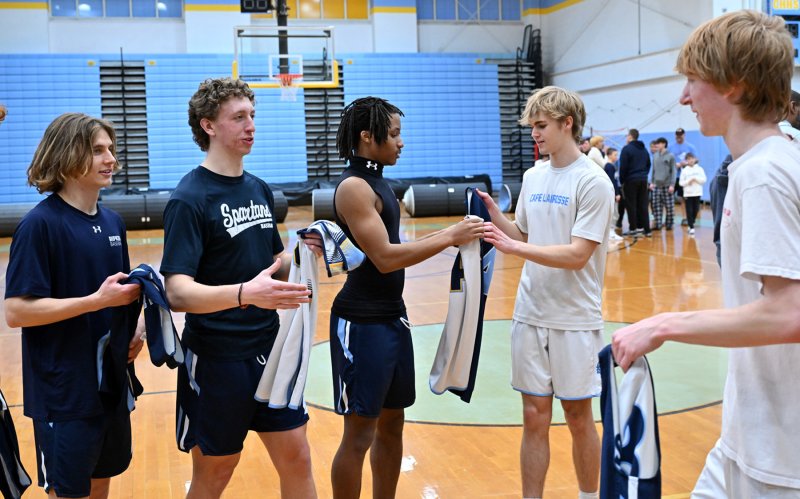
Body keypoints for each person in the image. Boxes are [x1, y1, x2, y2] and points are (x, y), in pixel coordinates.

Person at [612, 10, 800, 498]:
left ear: (734, 85)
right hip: (748, 435)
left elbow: (789, 313)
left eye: (693, 80)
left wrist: (663, 324)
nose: (684, 97)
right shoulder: (764, 164)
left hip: (779, 456)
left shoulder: (763, 175)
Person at [160, 77, 316, 498]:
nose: (251, 126)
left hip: (271, 350)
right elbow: (177, 291)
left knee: (298, 458)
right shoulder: (189, 198)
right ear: (208, 125)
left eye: (252, 116)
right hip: (217, 359)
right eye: (239, 117)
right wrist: (244, 293)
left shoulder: (258, 188)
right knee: (216, 472)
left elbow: (275, 263)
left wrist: (307, 253)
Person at [328, 96, 483, 499]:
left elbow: (397, 246)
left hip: (392, 316)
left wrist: (456, 232)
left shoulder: (381, 182)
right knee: (359, 432)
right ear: (367, 136)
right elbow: (384, 258)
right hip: (360, 322)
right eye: (394, 134)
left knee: (393, 422)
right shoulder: (353, 187)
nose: (401, 142)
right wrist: (449, 237)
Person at [476, 86, 615, 499]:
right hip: (530, 313)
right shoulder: (533, 176)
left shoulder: (593, 181)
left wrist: (516, 248)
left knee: (578, 416)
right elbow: (523, 234)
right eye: (532, 127)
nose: (534, 134)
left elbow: (577, 254)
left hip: (574, 319)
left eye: (541, 125)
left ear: (567, 123)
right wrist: (495, 216)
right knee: (534, 416)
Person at [4, 113, 145, 499]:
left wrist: (137, 328)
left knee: (100, 487)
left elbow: (121, 295)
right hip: (63, 396)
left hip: (108, 387)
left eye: (111, 149)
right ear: (67, 156)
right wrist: (94, 301)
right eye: (98, 150)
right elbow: (16, 311)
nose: (111, 158)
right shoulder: (39, 225)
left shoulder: (114, 222)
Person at [619, 128, 652, 237]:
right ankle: (647, 230)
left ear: (630, 136)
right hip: (643, 180)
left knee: (631, 205)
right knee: (643, 205)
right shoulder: (644, 149)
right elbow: (648, 164)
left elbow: (623, 167)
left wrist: (622, 180)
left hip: (630, 180)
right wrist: (644, 174)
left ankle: (633, 229)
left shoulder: (626, 149)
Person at [669, 127, 697, 224]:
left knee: (683, 198)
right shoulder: (670, 147)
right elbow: (667, 161)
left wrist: (686, 163)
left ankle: (685, 217)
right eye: (677, 136)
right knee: (668, 197)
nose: (679, 137)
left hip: (685, 177)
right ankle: (669, 218)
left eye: (680, 135)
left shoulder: (690, 147)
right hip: (673, 176)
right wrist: (675, 165)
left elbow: (696, 160)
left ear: (684, 135)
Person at [649, 137, 676, 230]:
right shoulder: (655, 156)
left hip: (667, 185)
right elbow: (654, 170)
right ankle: (658, 224)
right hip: (656, 185)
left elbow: (673, 171)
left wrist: (672, 184)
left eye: (659, 143)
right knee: (656, 206)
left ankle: (669, 224)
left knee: (669, 207)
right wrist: (652, 182)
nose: (657, 145)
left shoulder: (670, 156)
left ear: (664, 144)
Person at [678, 152, 706, 236]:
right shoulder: (685, 170)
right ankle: (691, 227)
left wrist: (695, 179)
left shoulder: (700, 169)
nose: (691, 160)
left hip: (697, 192)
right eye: (688, 159)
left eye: (692, 158)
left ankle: (692, 222)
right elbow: (681, 183)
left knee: (696, 209)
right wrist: (688, 181)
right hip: (688, 194)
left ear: (695, 159)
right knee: (689, 210)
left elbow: (704, 180)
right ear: (686, 161)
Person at [603, 147, 623, 241]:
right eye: (615, 155)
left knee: (615, 213)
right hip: (612, 193)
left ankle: (611, 232)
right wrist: (616, 193)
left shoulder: (611, 166)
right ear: (609, 155)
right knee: (614, 214)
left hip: (612, 193)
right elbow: (612, 181)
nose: (616, 157)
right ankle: (611, 233)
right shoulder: (609, 166)